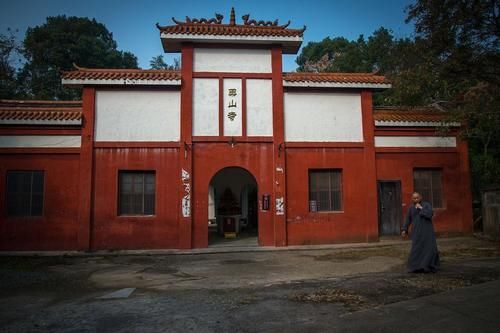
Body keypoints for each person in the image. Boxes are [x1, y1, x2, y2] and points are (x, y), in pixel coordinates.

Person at [401, 192, 440, 273]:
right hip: (417, 231)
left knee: (429, 248)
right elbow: (408, 219)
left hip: (427, 230)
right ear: (412, 199)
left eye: (417, 198)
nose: (416, 199)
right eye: (414, 198)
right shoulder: (411, 208)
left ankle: (428, 266)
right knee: (416, 248)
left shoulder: (426, 205)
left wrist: (421, 208)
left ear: (420, 197)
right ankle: (416, 267)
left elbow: (430, 214)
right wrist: (404, 229)